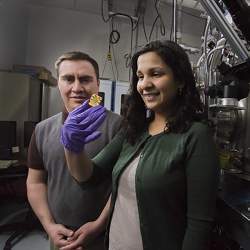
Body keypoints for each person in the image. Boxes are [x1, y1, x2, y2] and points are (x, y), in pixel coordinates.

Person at [62, 40, 220, 250]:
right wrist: (73, 148)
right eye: (140, 76)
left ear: (180, 80)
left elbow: (199, 224)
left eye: (156, 74)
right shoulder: (133, 130)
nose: (144, 84)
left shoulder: (196, 136)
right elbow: (88, 178)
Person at [26, 51, 122, 250]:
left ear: (97, 84)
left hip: (104, 236)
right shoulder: (42, 130)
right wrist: (49, 226)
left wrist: (98, 225)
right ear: (58, 83)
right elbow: (35, 182)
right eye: (68, 79)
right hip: (59, 237)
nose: (77, 88)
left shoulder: (120, 127)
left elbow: (123, 187)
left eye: (85, 79)